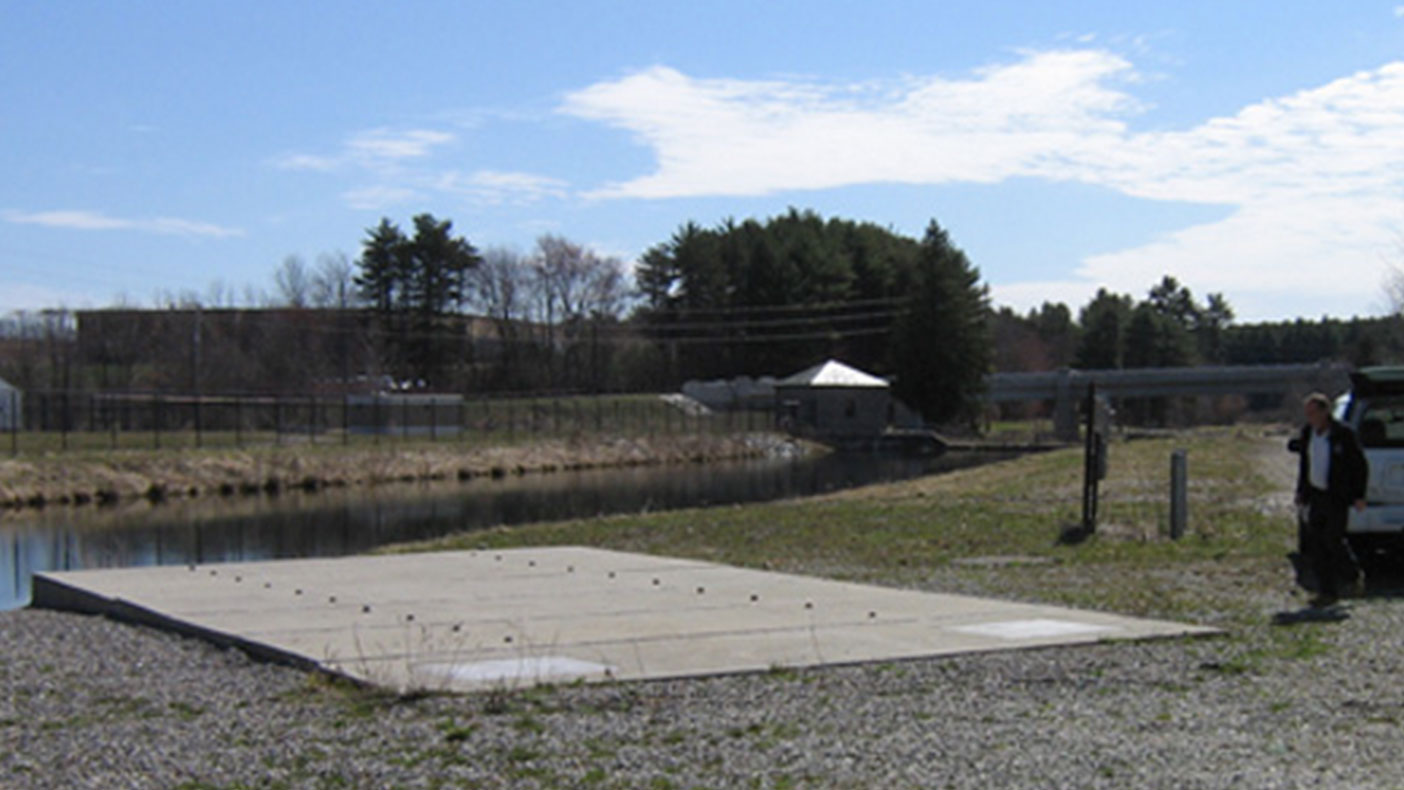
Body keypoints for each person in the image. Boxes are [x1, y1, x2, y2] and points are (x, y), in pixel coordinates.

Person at [1294, 392, 1368, 607]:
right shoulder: (1308, 433)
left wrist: (1358, 495)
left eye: (1313, 412)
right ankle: (1327, 592)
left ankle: (1352, 574)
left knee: (1333, 540)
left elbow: (1359, 465)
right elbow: (1305, 464)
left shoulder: (1343, 434)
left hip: (1336, 495)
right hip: (1315, 494)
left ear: (1325, 412)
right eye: (1307, 413)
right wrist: (1301, 491)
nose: (1309, 417)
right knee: (1316, 544)